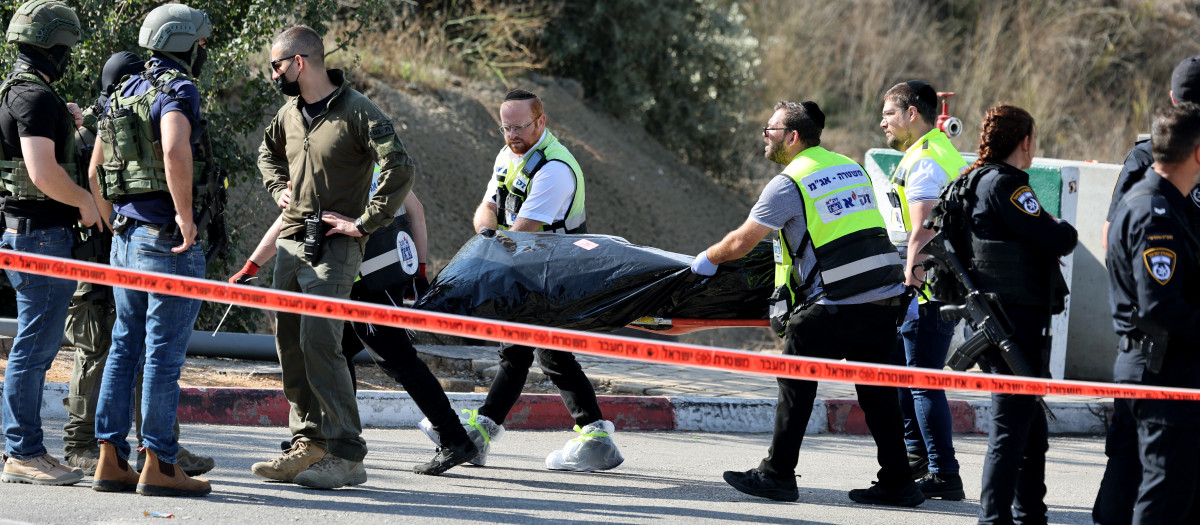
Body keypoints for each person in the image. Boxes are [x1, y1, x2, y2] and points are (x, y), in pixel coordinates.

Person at [692, 100, 920, 506]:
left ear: (792, 137)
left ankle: (777, 475)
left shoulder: (789, 182)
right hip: (885, 296)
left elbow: (742, 242)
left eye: (771, 130)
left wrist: (706, 260)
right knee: (879, 394)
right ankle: (899, 482)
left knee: (796, 385)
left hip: (836, 301)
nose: (765, 136)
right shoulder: (850, 166)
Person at [420, 88, 623, 473]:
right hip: (529, 268)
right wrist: (486, 237)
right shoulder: (509, 155)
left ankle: (486, 433)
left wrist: (490, 249)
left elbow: (523, 231)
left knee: (531, 352)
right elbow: (488, 208)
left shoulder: (556, 170)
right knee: (537, 353)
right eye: (505, 127)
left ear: (541, 122)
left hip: (556, 273)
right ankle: (589, 436)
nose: (511, 135)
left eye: (519, 127)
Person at [252, 25, 414, 490]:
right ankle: (308, 443)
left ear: (299, 62)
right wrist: (277, 188)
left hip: (336, 246)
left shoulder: (358, 111)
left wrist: (365, 222)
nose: (274, 74)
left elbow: (400, 166)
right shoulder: (289, 114)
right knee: (290, 342)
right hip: (290, 240)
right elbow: (266, 155)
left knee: (322, 342)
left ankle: (347, 453)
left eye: (276, 65)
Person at [231, 188, 478, 476]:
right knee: (340, 352)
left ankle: (454, 438)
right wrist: (419, 270)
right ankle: (332, 437)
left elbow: (291, 220)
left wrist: (252, 264)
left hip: (367, 282)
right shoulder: (376, 161)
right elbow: (417, 209)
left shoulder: (334, 167)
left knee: (398, 361)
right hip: (384, 272)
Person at [60, 51, 214, 478]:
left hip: (126, 238)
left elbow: (95, 175)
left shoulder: (123, 93)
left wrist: (117, 227)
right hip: (164, 238)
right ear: (186, 43)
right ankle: (162, 464)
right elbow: (173, 147)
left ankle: (110, 458)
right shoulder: (177, 89)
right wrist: (184, 218)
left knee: (125, 346)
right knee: (162, 356)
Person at [942, 105, 1076, 524]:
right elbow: (1059, 238)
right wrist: (1057, 226)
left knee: (1029, 427)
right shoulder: (1007, 186)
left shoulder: (973, 180)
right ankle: (994, 518)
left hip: (995, 319)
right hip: (1010, 325)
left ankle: (1030, 512)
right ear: (1025, 141)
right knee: (1010, 428)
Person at [1093, 55, 1200, 525]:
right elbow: (1157, 297)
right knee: (1153, 483)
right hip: (1160, 359)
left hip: (1173, 357)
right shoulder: (1151, 195)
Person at [0, 0, 99, 487]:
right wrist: (86, 202)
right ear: (54, 45)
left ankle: (25, 448)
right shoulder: (35, 98)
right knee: (34, 349)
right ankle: (22, 451)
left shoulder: (19, 92)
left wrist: (67, 121)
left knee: (34, 346)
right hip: (41, 237)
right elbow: (41, 172)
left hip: (28, 234)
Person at [879, 80, 966, 500]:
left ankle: (944, 473)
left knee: (923, 380)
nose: (883, 123)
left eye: (889, 114)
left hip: (926, 288)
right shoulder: (932, 151)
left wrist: (908, 285)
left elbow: (923, 231)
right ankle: (917, 457)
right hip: (929, 284)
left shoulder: (927, 161)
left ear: (913, 114)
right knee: (903, 370)